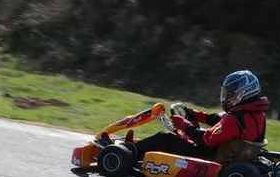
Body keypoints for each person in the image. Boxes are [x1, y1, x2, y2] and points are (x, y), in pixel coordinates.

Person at [105, 70, 271, 164]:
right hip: (235, 154)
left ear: (241, 92)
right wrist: (197, 116)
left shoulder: (234, 119)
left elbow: (206, 139)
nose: (227, 96)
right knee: (187, 128)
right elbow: (220, 120)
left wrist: (183, 125)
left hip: (210, 156)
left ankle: (127, 153)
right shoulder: (255, 113)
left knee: (165, 138)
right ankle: (138, 149)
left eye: (230, 92)